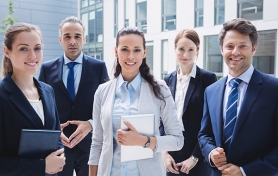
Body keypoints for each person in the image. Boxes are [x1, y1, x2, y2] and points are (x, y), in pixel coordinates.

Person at [88, 26, 184, 176]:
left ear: (144, 52)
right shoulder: (102, 91)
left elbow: (177, 140)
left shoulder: (160, 89)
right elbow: (97, 142)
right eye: (125, 49)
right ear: (116, 52)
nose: (130, 56)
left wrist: (143, 141)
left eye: (137, 50)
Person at [198, 18, 278, 176]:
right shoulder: (211, 91)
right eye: (229, 46)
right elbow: (204, 134)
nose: (235, 52)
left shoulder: (274, 88)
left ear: (254, 49)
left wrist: (244, 171)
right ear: (222, 49)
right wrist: (211, 152)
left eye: (243, 46)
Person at [38, 16, 109, 176]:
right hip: (58, 147)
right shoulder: (46, 69)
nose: (72, 41)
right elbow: (41, 107)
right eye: (67, 36)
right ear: (60, 39)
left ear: (84, 39)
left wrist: (90, 124)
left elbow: (108, 105)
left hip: (91, 145)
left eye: (77, 36)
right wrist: (54, 130)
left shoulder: (98, 67)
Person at [0, 22, 65, 176]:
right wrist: (42, 166)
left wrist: (60, 157)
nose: (32, 56)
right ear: (7, 51)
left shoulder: (48, 91)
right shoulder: (2, 96)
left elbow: (55, 136)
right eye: (23, 49)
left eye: (37, 48)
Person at [161, 29, 216, 176]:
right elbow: (162, 119)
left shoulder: (208, 79)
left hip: (197, 153)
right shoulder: (167, 80)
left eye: (191, 49)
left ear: (197, 50)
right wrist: (164, 153)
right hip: (172, 155)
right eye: (181, 49)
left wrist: (195, 157)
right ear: (175, 49)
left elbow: (210, 122)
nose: (186, 55)